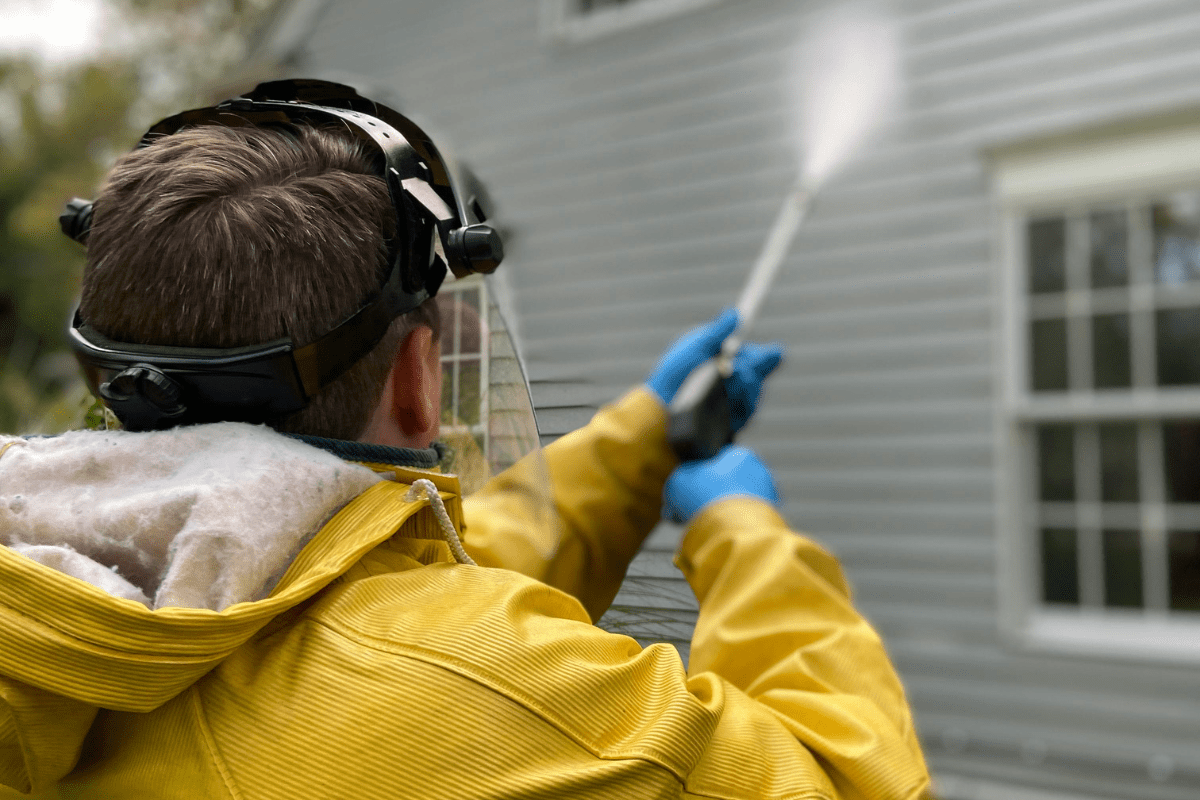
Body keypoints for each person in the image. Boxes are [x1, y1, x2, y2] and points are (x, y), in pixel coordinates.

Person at [0, 81, 930, 799]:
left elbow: (393, 594)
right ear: (416, 379)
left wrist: (644, 439)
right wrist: (744, 533)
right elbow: (846, 779)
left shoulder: (79, 591)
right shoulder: (473, 699)